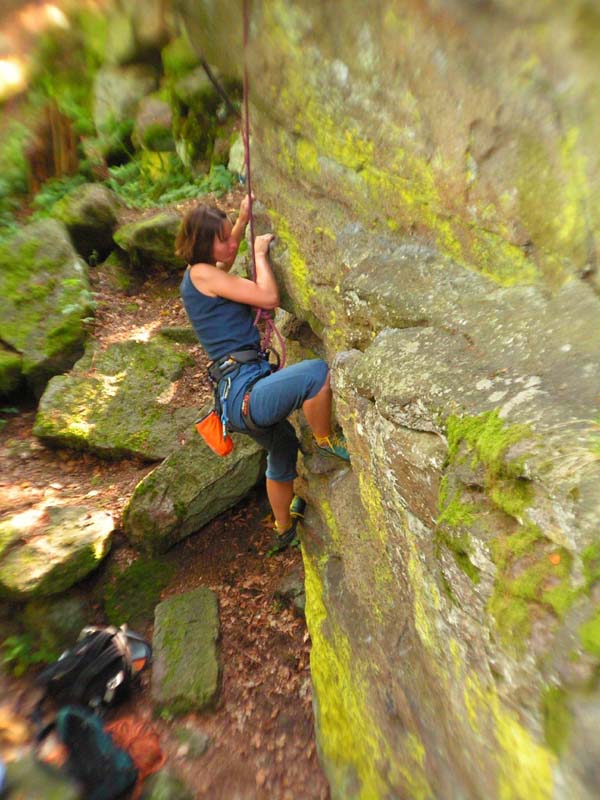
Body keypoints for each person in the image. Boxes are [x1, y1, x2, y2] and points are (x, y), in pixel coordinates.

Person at [176, 196, 349, 548]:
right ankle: (326, 443)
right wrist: (258, 256)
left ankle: (283, 528)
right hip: (246, 393)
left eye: (230, 236)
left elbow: (227, 250)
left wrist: (241, 221)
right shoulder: (204, 274)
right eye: (223, 238)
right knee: (317, 374)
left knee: (282, 445)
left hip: (235, 399)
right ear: (206, 245)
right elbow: (268, 298)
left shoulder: (196, 276)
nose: (231, 244)